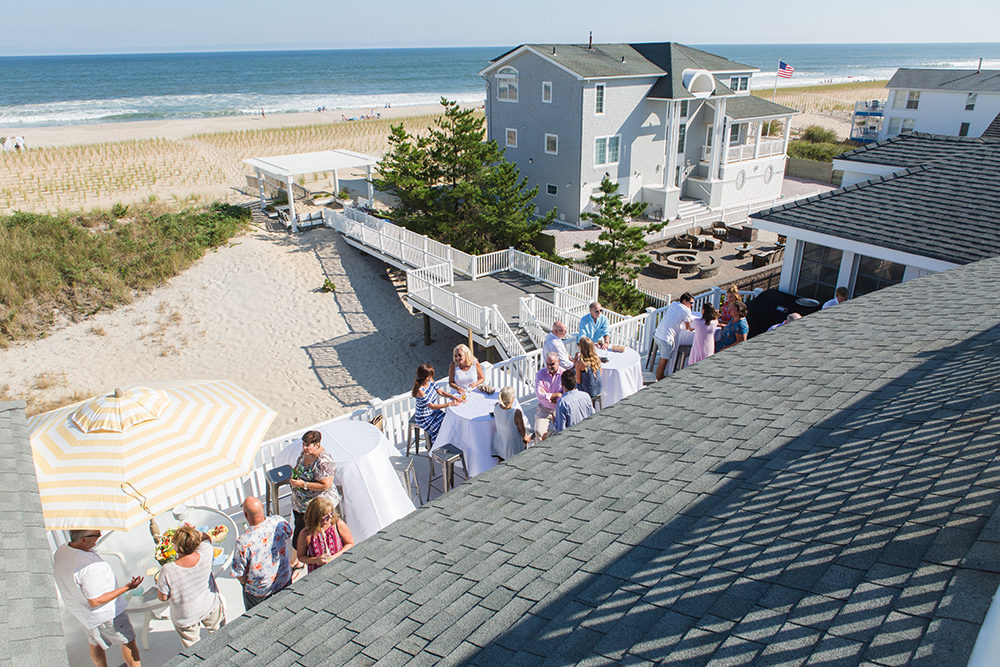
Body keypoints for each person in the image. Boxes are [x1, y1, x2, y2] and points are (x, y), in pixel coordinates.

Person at [53, 530, 143, 667]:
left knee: (95, 644)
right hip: (107, 614)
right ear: (83, 539)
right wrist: (127, 587)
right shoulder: (90, 567)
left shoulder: (62, 550)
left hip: (83, 614)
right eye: (96, 535)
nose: (100, 536)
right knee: (127, 642)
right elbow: (95, 601)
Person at [156, 526, 226, 648]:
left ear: (176, 546)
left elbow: (163, 597)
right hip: (209, 605)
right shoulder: (206, 551)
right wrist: (194, 532)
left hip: (186, 615)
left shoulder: (167, 570)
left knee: (193, 648)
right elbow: (206, 537)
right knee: (220, 635)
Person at [230, 497, 294, 611]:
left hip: (260, 592)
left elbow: (239, 573)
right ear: (263, 507)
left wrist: (244, 585)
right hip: (284, 580)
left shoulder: (243, 542)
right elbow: (289, 533)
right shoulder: (278, 522)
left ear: (245, 515)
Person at [289, 430, 340, 549]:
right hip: (300, 504)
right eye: (303, 444)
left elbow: (326, 485)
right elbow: (297, 467)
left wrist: (304, 485)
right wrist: (294, 476)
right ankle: (298, 555)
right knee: (299, 534)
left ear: (317, 445)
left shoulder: (324, 461)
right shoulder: (305, 454)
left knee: (308, 536)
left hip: (315, 507)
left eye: (307, 445)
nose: (304, 448)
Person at [296, 496, 354, 573]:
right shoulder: (306, 534)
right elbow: (301, 556)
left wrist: (334, 557)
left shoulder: (337, 524)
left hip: (341, 568)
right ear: (316, 517)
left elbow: (350, 544)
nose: (330, 517)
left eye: (331, 513)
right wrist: (315, 560)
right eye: (326, 516)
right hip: (318, 572)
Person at [412, 363, 460, 446]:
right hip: (425, 417)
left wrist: (453, 397)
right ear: (426, 377)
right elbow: (432, 406)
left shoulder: (430, 381)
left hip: (433, 413)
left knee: (449, 420)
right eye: (430, 376)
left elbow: (440, 392)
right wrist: (450, 404)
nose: (432, 377)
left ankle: (446, 441)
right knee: (440, 426)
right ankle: (436, 445)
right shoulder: (420, 391)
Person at [654, 292, 696, 380]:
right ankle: (659, 380)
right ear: (684, 301)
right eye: (691, 303)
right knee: (662, 364)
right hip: (666, 339)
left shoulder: (674, 304)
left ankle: (661, 377)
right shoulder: (687, 310)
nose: (692, 305)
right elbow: (688, 327)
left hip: (658, 335)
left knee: (662, 360)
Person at [492, 386, 531, 461]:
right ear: (512, 399)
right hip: (512, 446)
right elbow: (522, 430)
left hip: (500, 443)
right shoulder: (516, 413)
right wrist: (525, 438)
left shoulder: (496, 406)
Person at [551, 370, 595, 435]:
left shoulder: (562, 402)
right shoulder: (586, 396)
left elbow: (560, 430)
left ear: (562, 384)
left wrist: (554, 421)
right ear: (575, 382)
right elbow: (593, 416)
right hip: (587, 433)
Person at [534, 353, 564, 438]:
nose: (549, 367)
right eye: (547, 364)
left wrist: (554, 398)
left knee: (562, 432)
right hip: (544, 408)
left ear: (558, 362)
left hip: (559, 408)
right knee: (538, 431)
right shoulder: (541, 373)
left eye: (552, 364)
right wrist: (555, 395)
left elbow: (565, 394)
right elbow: (539, 394)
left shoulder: (564, 373)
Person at [574, 337, 603, 406]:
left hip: (588, 392)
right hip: (598, 389)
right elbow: (600, 373)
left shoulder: (580, 363)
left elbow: (578, 381)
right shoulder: (597, 359)